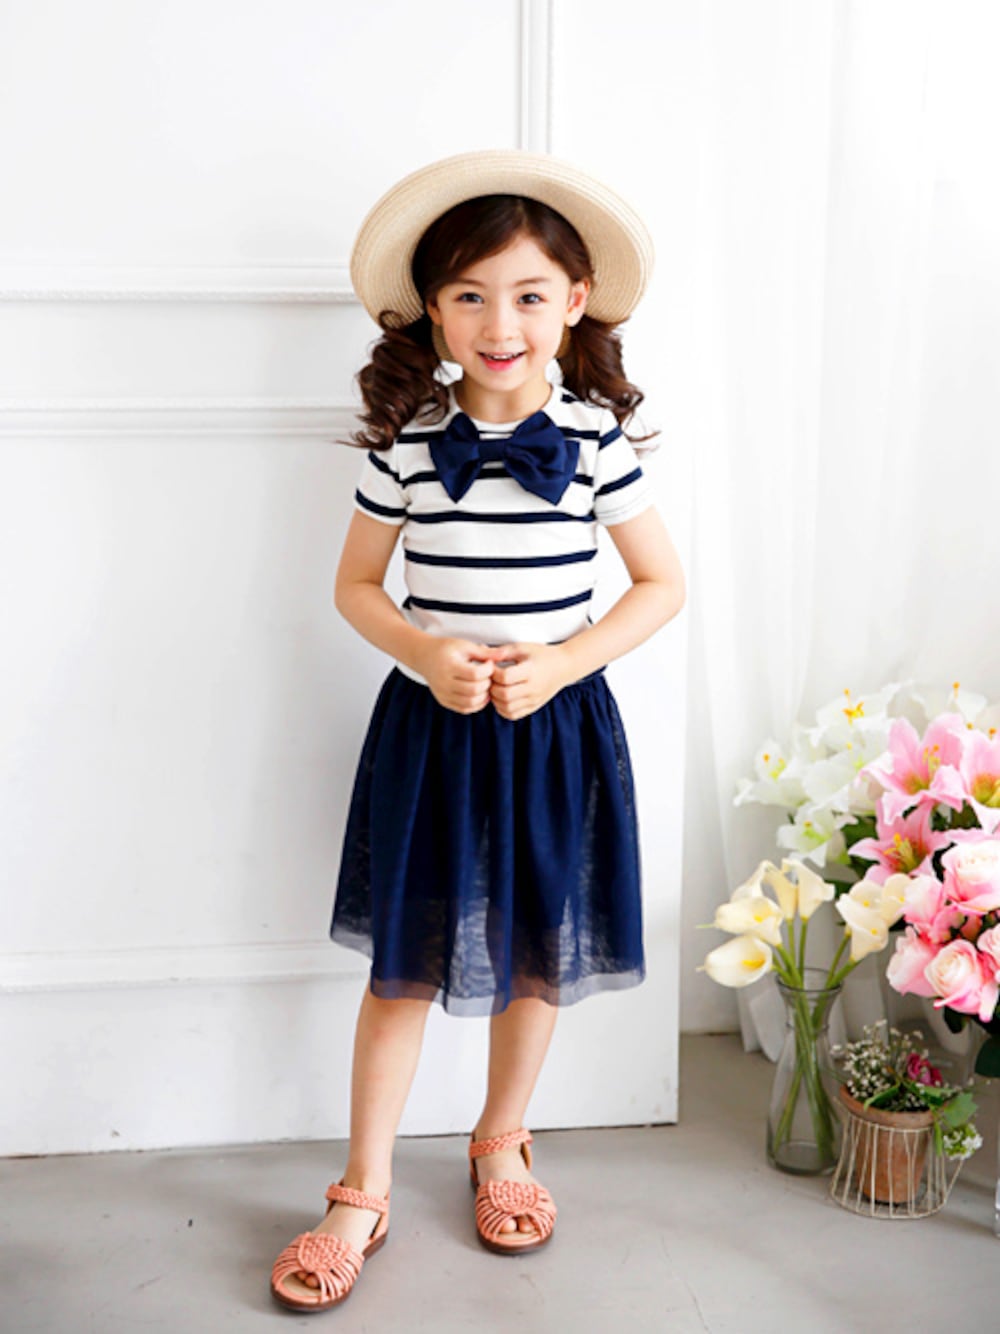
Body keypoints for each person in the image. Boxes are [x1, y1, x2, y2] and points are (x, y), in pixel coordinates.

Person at [270, 149, 685, 1312]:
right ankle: (361, 1187)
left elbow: (660, 584)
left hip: (554, 735)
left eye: (528, 294)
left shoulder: (593, 439)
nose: (500, 323)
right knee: (405, 965)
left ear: (575, 299)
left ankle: (501, 1137)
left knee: (534, 951)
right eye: (470, 294)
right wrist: (424, 650)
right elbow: (358, 586)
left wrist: (560, 660)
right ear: (433, 309)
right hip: (432, 735)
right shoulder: (409, 442)